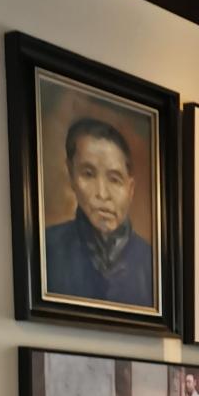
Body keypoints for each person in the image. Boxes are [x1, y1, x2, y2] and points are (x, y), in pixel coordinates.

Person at [44, 117, 154, 307]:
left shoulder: (152, 262)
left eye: (114, 179)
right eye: (88, 174)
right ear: (71, 176)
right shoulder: (47, 248)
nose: (102, 194)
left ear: (130, 189)